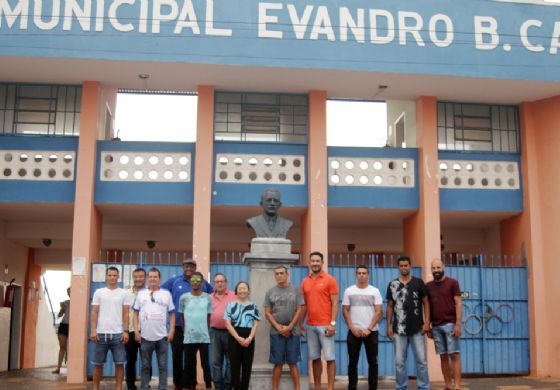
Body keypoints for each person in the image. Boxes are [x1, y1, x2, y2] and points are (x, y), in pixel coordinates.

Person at [162, 258, 213, 390]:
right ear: (182, 267)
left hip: (195, 328)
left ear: (195, 268)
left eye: (191, 266)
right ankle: (178, 384)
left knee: (191, 359)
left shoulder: (204, 283)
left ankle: (191, 384)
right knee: (177, 356)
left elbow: (213, 295)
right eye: (186, 266)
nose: (189, 268)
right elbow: (162, 292)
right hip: (178, 326)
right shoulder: (174, 281)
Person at [386, 256, 430, 390]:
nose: (404, 268)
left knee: (421, 361)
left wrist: (427, 322)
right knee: (400, 362)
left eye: (406, 265)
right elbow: (389, 306)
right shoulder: (393, 284)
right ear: (398, 267)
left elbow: (426, 302)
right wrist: (388, 326)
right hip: (399, 330)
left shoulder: (418, 282)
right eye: (401, 265)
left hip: (417, 328)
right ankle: (401, 387)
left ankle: (423, 386)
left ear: (410, 266)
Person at [300, 251, 339, 390]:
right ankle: (317, 387)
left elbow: (335, 303)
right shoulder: (305, 281)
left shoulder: (330, 279)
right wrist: (301, 323)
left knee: (330, 358)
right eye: (313, 261)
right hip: (310, 325)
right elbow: (304, 304)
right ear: (309, 263)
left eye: (318, 261)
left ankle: (330, 387)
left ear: (322, 262)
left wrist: (333, 323)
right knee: (315, 358)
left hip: (326, 325)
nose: (315, 263)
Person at [133, 267, 175, 390]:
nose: (152, 279)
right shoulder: (141, 294)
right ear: (147, 278)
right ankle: (144, 387)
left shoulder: (166, 294)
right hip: (145, 337)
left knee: (163, 366)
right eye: (150, 276)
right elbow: (135, 314)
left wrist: (171, 331)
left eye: (155, 276)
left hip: (162, 337)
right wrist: (136, 331)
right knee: (145, 366)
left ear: (159, 278)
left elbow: (172, 313)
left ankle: (163, 387)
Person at [342, 266, 383, 390]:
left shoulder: (374, 291)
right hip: (354, 332)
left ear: (368, 275)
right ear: (356, 275)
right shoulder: (349, 291)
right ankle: (352, 387)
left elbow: (379, 311)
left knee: (373, 362)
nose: (361, 275)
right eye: (359, 273)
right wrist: (352, 328)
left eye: (364, 273)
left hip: (371, 331)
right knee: (353, 362)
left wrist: (369, 329)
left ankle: (372, 387)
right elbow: (345, 311)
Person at [90, 266, 131, 390]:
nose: (112, 277)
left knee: (119, 364)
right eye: (110, 275)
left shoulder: (123, 293)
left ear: (118, 277)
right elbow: (94, 312)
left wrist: (125, 331)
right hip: (101, 334)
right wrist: (93, 330)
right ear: (106, 277)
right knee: (97, 364)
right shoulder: (99, 292)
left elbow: (126, 313)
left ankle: (118, 388)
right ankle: (95, 388)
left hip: (118, 335)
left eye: (114, 275)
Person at [264, 265, 305, 390]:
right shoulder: (270, 292)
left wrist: (290, 326)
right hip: (276, 332)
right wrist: (278, 327)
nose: (279, 275)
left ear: (287, 274)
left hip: (294, 331)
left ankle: (298, 388)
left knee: (293, 363)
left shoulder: (296, 290)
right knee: (278, 363)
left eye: (282, 273)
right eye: (277, 274)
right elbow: (267, 313)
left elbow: (300, 309)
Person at [426, 259, 462, 390]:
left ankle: (457, 386)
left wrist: (458, 324)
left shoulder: (453, 283)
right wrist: (428, 325)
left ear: (443, 268)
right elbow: (427, 306)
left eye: (438, 267)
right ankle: (448, 385)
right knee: (443, 357)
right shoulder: (428, 286)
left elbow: (458, 302)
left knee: (454, 355)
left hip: (451, 325)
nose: (436, 270)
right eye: (433, 268)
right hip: (435, 327)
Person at [179, 272, 213, 390]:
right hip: (189, 336)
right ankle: (186, 386)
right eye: (193, 280)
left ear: (202, 282)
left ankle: (208, 386)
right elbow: (182, 316)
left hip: (203, 337)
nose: (195, 282)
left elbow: (208, 317)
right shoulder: (184, 298)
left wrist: (206, 331)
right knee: (188, 364)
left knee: (205, 364)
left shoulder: (207, 297)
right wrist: (185, 331)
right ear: (190, 281)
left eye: (198, 280)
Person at [224, 281, 261, 390]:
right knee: (234, 368)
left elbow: (256, 323)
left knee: (247, 367)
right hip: (234, 338)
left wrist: (249, 338)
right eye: (240, 288)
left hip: (249, 339)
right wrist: (238, 338)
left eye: (244, 288)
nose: (242, 290)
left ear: (248, 291)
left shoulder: (253, 306)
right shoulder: (231, 305)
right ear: (236, 291)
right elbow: (227, 323)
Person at [210, 273, 236, 390]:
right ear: (214, 284)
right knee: (216, 362)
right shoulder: (209, 297)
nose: (220, 283)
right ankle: (218, 386)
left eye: (222, 281)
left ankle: (227, 386)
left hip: (231, 333)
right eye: (217, 281)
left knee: (231, 362)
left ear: (226, 282)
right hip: (215, 333)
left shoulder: (234, 295)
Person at [125, 268, 146, 390]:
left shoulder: (150, 293)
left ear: (145, 277)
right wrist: (125, 330)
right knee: (130, 361)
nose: (138, 279)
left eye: (141, 276)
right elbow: (124, 312)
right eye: (136, 276)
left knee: (146, 361)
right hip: (131, 331)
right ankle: (130, 385)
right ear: (133, 277)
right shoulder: (126, 293)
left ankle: (145, 384)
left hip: (146, 331)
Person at [53, 286, 71, 374]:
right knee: (62, 347)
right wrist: (62, 310)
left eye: (70, 291)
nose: (69, 293)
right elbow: (60, 315)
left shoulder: (79, 302)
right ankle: (58, 368)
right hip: (64, 325)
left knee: (71, 348)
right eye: (68, 292)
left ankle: (71, 367)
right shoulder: (65, 303)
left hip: (73, 326)